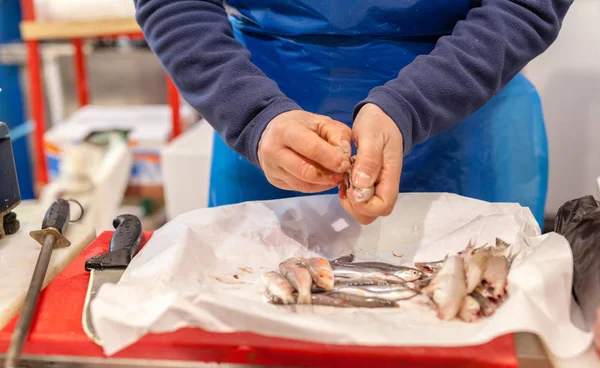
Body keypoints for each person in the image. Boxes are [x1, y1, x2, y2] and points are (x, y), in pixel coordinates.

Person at [134, 0, 572, 225]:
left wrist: (412, 104)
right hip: (265, 109)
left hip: (467, 111)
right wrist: (254, 115)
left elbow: (526, 5)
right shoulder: (255, 112)